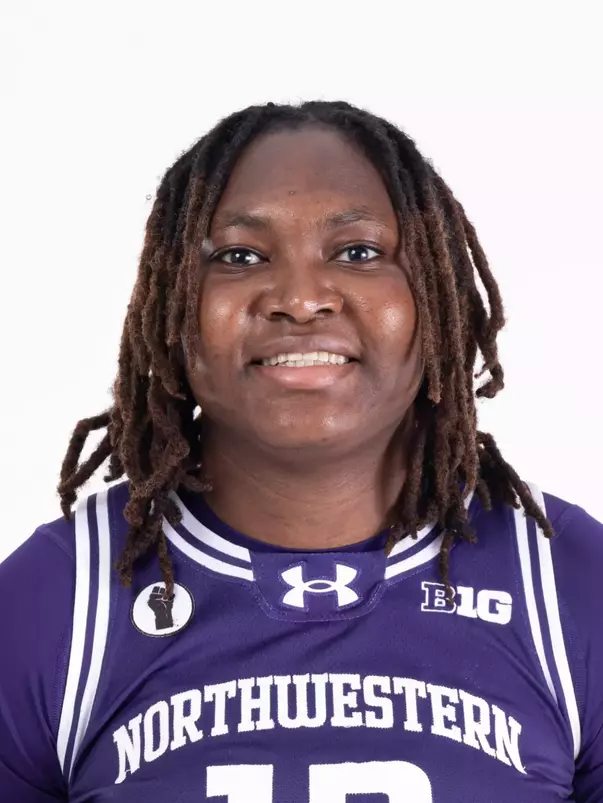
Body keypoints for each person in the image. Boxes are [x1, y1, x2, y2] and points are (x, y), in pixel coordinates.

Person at [0, 100, 601, 803]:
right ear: (169, 306)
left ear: (437, 297)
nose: (298, 297)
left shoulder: (566, 587)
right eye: (239, 256)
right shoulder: (56, 603)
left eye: (357, 252)